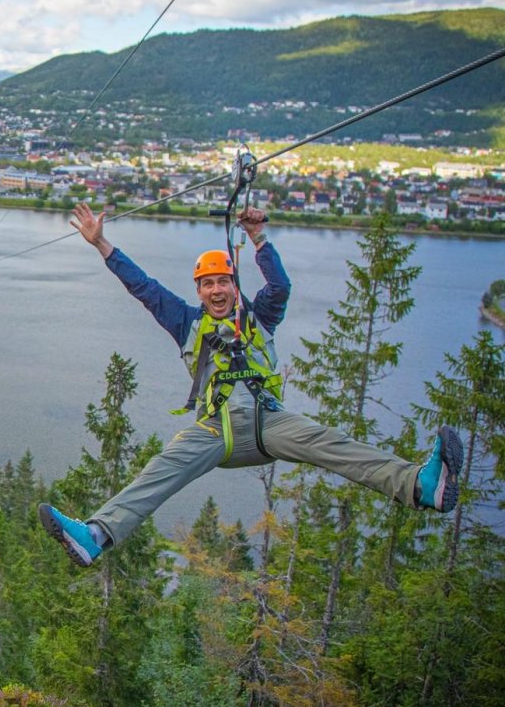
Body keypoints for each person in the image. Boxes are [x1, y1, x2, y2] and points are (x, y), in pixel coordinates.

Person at [39, 202, 463, 567]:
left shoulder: (259, 317)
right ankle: (95, 537)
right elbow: (143, 288)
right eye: (208, 284)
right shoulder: (186, 322)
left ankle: (420, 486)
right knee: (161, 469)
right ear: (200, 291)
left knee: (329, 443)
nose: (216, 290)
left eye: (223, 281)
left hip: (267, 423)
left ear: (234, 286)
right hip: (216, 429)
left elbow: (280, 286)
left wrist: (258, 238)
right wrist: (101, 245)